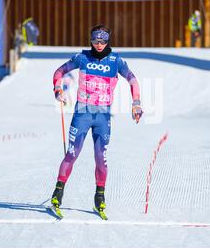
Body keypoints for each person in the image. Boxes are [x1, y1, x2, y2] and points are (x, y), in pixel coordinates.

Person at [50, 24, 143, 217]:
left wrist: (136, 103)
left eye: (103, 41)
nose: (99, 45)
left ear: (108, 41)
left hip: (102, 116)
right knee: (72, 154)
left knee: (101, 158)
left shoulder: (116, 61)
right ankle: (57, 193)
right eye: (95, 41)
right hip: (82, 114)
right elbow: (59, 72)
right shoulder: (82, 57)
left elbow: (133, 80)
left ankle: (99, 197)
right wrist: (58, 90)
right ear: (90, 40)